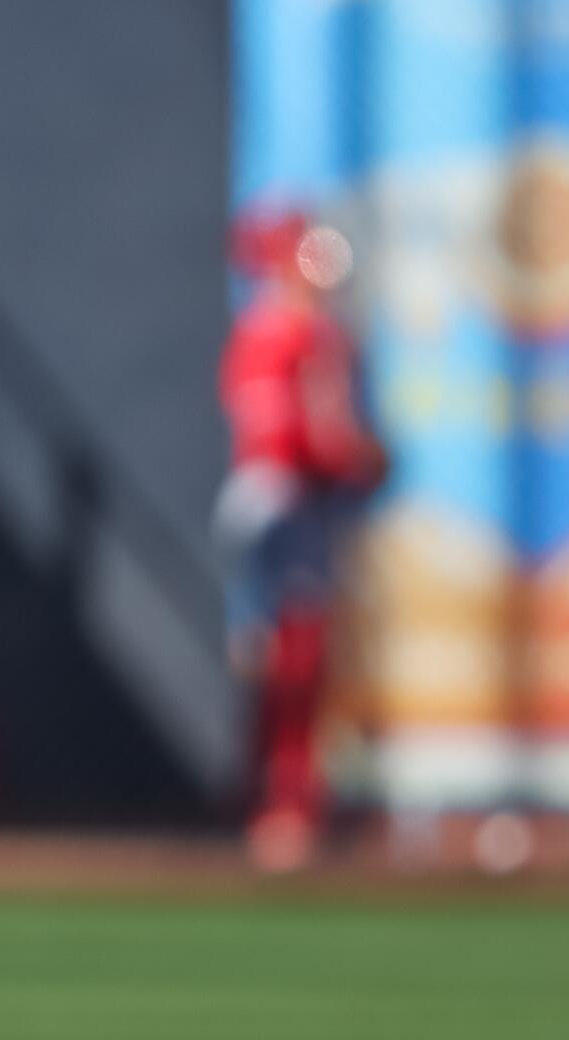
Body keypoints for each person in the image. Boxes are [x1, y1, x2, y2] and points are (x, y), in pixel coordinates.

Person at [217, 214, 386, 871]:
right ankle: (278, 804)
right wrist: (357, 460)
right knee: (282, 654)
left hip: (301, 508)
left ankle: (279, 798)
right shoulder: (277, 334)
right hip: (276, 501)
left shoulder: (317, 337)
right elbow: (294, 443)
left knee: (297, 655)